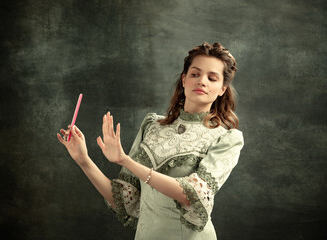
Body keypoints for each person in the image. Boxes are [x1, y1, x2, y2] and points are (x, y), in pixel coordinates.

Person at [57, 42, 244, 240]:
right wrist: (83, 160)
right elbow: (123, 200)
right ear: (184, 80)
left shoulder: (226, 138)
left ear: (222, 89)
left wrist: (125, 160)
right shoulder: (152, 125)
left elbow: (191, 195)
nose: (202, 81)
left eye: (212, 78)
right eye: (195, 74)